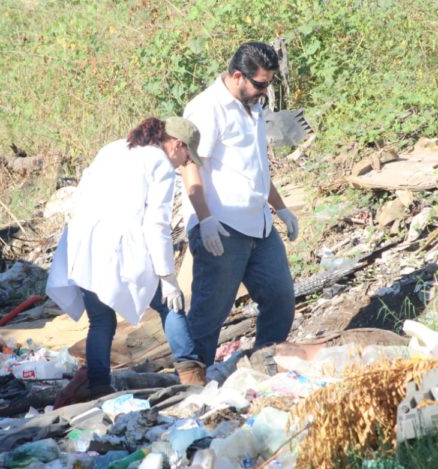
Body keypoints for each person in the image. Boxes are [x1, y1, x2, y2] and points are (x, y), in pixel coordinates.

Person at [47, 116, 206, 401]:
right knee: (171, 305)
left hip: (84, 245)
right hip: (120, 246)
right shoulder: (159, 163)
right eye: (185, 157)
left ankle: (98, 388)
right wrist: (168, 276)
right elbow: (156, 225)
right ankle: (192, 375)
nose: (184, 164)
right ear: (177, 145)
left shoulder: (113, 148)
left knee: (101, 321)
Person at [180, 41, 299, 368]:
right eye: (260, 84)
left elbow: (256, 168)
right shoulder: (207, 108)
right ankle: (193, 383)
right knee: (209, 314)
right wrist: (205, 219)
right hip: (223, 227)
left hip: (259, 225)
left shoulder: (253, 107)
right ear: (236, 76)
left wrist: (281, 207)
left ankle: (265, 367)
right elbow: (190, 165)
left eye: (269, 84)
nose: (264, 91)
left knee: (280, 300)